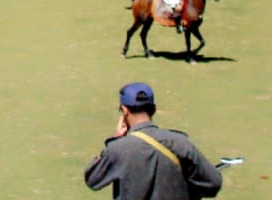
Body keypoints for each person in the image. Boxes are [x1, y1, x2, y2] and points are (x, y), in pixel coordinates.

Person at [84, 82, 222, 199]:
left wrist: (115, 140)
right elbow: (213, 184)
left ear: (125, 111)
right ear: (154, 110)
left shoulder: (118, 149)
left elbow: (92, 179)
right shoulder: (181, 142)